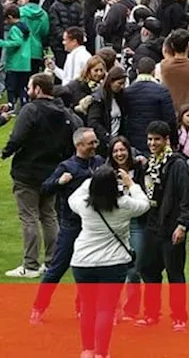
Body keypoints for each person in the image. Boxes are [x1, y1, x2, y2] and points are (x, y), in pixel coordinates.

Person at [3, 72, 81, 278]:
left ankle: (30, 265)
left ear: (37, 89)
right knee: (49, 216)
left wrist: (6, 152)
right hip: (52, 171)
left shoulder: (31, 110)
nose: (29, 91)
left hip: (27, 172)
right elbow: (73, 136)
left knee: (29, 217)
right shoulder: (63, 113)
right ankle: (51, 261)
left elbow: (17, 137)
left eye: (30, 87)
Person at [68, 164, 150, 358]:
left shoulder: (84, 205)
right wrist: (131, 184)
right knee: (106, 308)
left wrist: (92, 180)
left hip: (83, 262)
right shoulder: (125, 205)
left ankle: (87, 350)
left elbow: (73, 197)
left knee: (88, 307)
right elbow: (144, 204)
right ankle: (101, 353)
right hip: (113, 264)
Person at [31, 126, 103, 323]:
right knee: (59, 266)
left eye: (95, 142)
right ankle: (39, 307)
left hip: (93, 226)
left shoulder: (98, 162)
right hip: (71, 226)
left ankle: (83, 308)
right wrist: (60, 183)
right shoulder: (67, 167)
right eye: (91, 143)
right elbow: (45, 188)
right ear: (78, 145)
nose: (95, 146)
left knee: (91, 268)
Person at [137, 120, 189, 330]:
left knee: (175, 273)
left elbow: (188, 198)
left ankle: (179, 317)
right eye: (150, 139)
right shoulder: (150, 163)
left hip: (171, 227)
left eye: (157, 139)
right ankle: (152, 313)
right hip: (152, 226)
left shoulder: (177, 164)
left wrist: (183, 225)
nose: (152, 143)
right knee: (147, 269)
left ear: (166, 140)